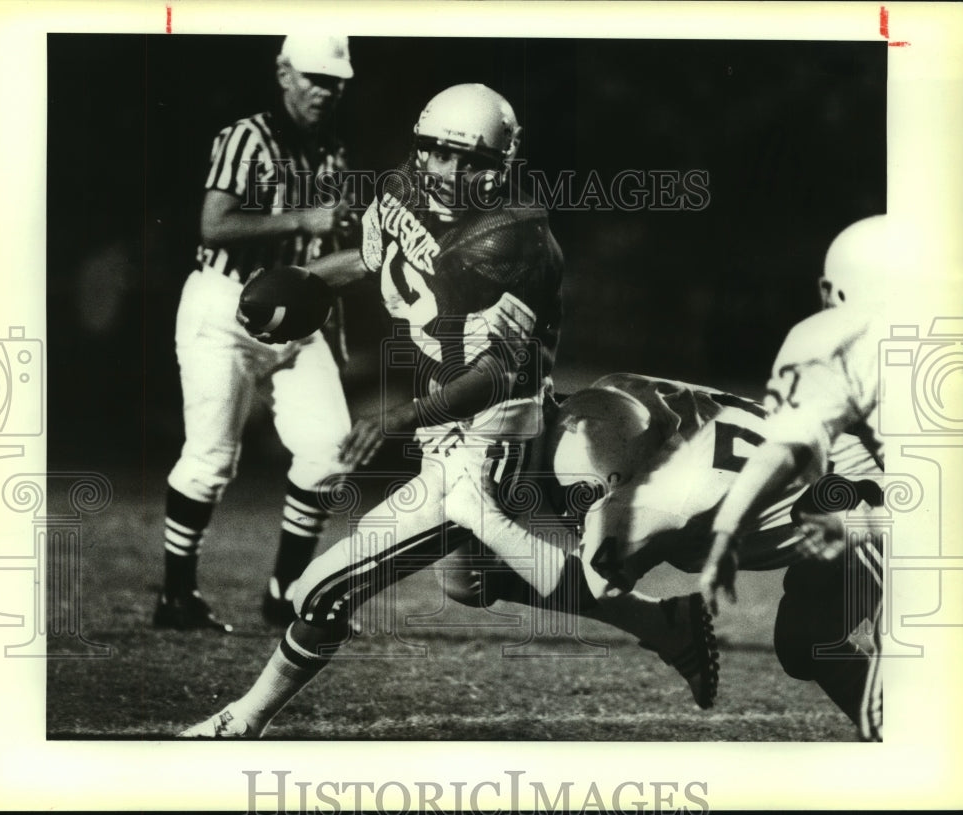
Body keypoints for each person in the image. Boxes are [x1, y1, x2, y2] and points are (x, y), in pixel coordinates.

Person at [180, 84, 721, 738]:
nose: (453, 173)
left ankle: (241, 722)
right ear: (422, 147)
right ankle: (666, 623)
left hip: (488, 433)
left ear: (505, 163)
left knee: (320, 589)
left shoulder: (513, 242)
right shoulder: (403, 190)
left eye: (473, 161)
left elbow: (495, 373)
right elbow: (381, 259)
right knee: (469, 585)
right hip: (447, 417)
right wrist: (316, 280)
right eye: (440, 154)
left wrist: (396, 418)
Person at [439, 368, 884, 737]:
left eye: (571, 495)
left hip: (879, 518)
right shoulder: (622, 397)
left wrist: (481, 516)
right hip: (859, 475)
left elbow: (583, 583)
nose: (567, 503)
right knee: (807, 642)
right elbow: (595, 417)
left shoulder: (649, 506)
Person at [154, 34, 358, 632]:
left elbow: (318, 250)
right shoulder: (247, 136)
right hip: (225, 306)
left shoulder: (331, 148)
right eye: (316, 78)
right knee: (210, 458)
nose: (325, 91)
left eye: (336, 82)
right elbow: (212, 225)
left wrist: (334, 323)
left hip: (297, 315)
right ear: (284, 73)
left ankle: (286, 592)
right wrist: (304, 216)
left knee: (329, 450)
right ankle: (175, 598)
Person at [700, 214, 893, 740]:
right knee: (808, 638)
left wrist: (864, 524)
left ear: (832, 289)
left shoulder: (839, 335)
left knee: (909, 734)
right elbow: (789, 444)